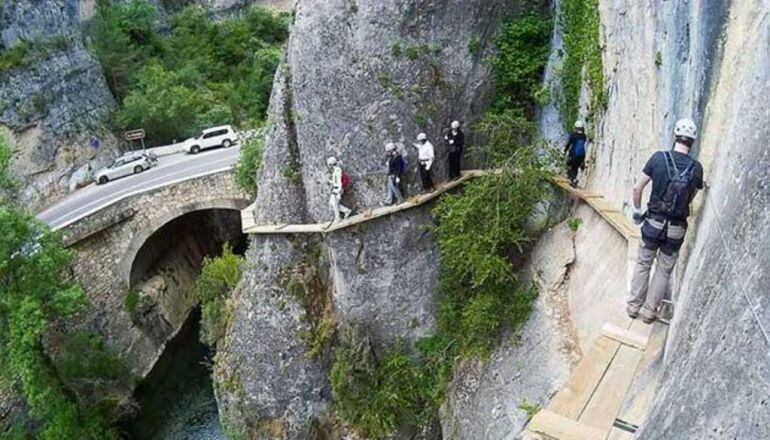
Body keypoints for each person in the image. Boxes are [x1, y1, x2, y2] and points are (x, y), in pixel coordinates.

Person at [627, 118, 704, 324]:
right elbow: (691, 196)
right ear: (692, 141)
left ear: (675, 135)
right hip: (676, 228)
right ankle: (649, 312)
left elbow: (637, 188)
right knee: (663, 269)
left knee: (643, 263)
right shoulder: (697, 169)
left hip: (653, 222)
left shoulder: (658, 159)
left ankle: (634, 307)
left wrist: (637, 210)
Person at [326, 156, 352, 223]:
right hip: (336, 189)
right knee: (332, 203)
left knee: (334, 203)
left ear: (331, 164)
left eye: (329, 164)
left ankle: (338, 218)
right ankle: (346, 211)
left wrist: (338, 191)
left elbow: (339, 182)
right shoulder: (336, 170)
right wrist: (330, 181)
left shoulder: (337, 170)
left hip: (338, 190)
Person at [564, 120, 588, 187]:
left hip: (574, 154)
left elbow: (569, 144)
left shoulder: (573, 135)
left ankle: (573, 179)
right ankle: (573, 179)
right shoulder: (584, 136)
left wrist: (565, 150)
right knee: (576, 167)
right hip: (582, 155)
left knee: (570, 165)